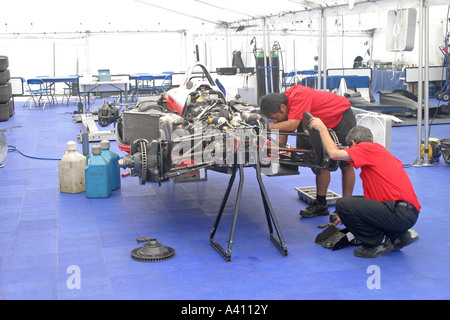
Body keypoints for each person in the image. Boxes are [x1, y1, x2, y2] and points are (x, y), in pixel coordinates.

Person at [309, 118, 421, 258]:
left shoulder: (366, 148)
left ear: (353, 143)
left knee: (343, 203)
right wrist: (347, 215)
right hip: (406, 212)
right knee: (350, 204)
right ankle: (398, 237)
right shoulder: (379, 153)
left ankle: (374, 244)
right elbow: (370, 207)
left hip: (399, 213)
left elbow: (334, 154)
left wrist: (321, 128)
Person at [259, 85, 356, 218]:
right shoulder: (286, 102)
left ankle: (347, 209)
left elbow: (291, 126)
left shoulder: (299, 96)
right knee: (320, 161)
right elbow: (284, 128)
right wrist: (277, 153)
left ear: (282, 107)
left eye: (274, 117)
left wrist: (265, 128)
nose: (275, 121)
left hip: (340, 117)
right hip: (320, 123)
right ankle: (321, 204)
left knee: (346, 163)